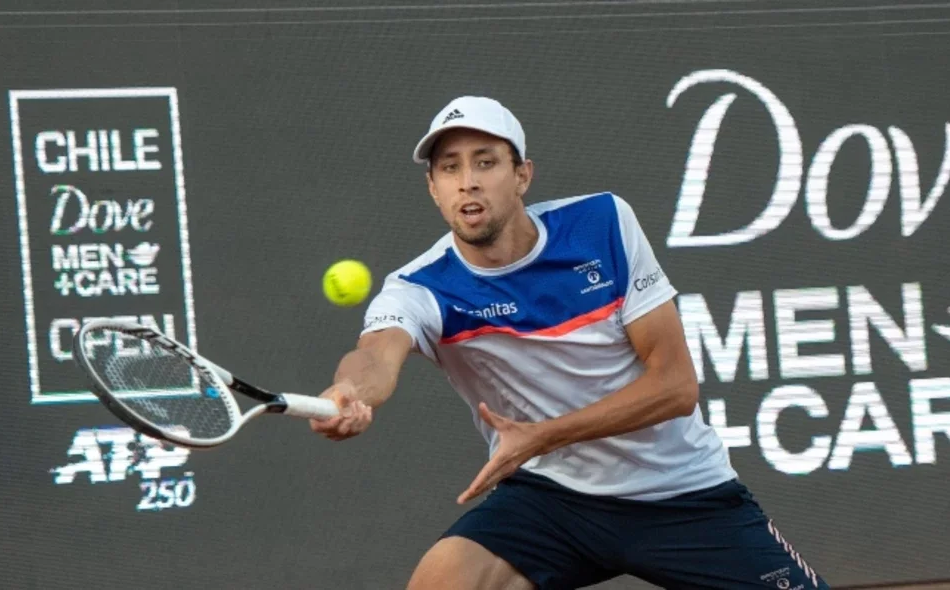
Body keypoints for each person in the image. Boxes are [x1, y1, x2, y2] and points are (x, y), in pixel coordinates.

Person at [309, 95, 830, 590]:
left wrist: (543, 436)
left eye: (485, 162)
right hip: (552, 501)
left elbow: (675, 386)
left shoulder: (601, 224)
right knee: (444, 579)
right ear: (433, 187)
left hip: (681, 492)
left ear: (522, 175)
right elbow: (376, 353)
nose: (467, 182)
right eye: (449, 168)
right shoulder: (421, 287)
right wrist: (350, 389)